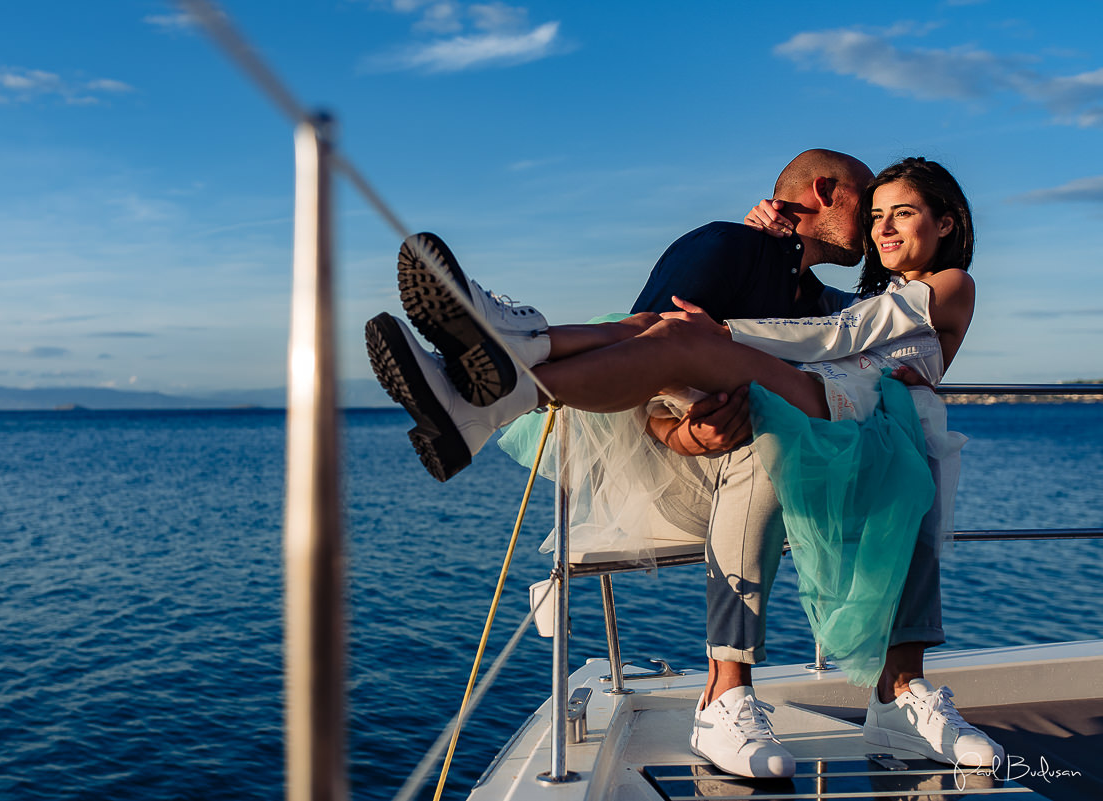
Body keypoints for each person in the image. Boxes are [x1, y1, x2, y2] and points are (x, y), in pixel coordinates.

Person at [366, 156, 1004, 778]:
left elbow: (835, 334)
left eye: (900, 213)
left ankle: (508, 357)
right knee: (666, 336)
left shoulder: (949, 285)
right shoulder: (842, 281)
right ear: (826, 194)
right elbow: (831, 320)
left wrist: (725, 334)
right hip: (830, 405)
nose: (880, 226)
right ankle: (492, 381)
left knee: (680, 337)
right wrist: (767, 254)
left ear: (946, 223)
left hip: (850, 411)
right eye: (875, 213)